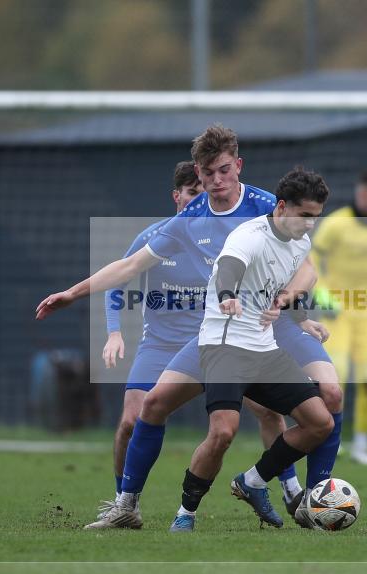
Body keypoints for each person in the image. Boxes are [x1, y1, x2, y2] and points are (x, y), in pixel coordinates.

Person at [36, 125, 343, 529]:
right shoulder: (190, 219)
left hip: (273, 326)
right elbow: (130, 266)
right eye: (207, 173)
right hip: (218, 334)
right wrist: (72, 293)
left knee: (330, 393)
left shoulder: (269, 206)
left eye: (224, 170)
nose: (217, 181)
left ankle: (314, 499)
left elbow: (307, 269)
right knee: (153, 406)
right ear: (197, 173)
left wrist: (291, 307)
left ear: (238, 166)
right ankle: (127, 505)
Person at [97, 161, 301, 518]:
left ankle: (291, 490)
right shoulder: (156, 237)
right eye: (192, 192)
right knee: (131, 420)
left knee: (268, 412)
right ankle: (124, 503)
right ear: (176, 196)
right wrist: (114, 331)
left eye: (202, 192)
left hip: (215, 342)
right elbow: (119, 279)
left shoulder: (224, 241)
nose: (199, 199)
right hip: (160, 346)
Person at [169, 167, 332, 532]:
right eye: (304, 215)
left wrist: (302, 319)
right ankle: (185, 513)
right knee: (223, 433)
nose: (310, 224)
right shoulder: (250, 235)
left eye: (316, 217)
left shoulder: (300, 243)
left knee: (320, 422)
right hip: (224, 346)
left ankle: (253, 482)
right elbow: (229, 267)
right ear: (282, 207)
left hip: (263, 349)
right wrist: (228, 295)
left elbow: (280, 282)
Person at [311, 169, 367, 466]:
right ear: (363, 194)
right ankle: (330, 437)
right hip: (338, 311)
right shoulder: (335, 224)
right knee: (336, 375)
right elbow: (313, 258)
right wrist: (322, 293)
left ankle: (362, 443)